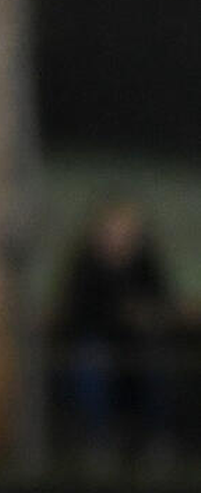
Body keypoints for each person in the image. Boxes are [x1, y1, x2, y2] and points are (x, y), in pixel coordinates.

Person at [57, 199, 176, 470]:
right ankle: (99, 439)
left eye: (128, 231)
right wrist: (118, 316)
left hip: (138, 345)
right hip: (97, 343)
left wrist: (145, 316)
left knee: (157, 364)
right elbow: (77, 313)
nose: (121, 238)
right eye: (114, 230)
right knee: (91, 362)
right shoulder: (85, 265)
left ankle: (156, 439)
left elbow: (162, 302)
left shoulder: (145, 262)